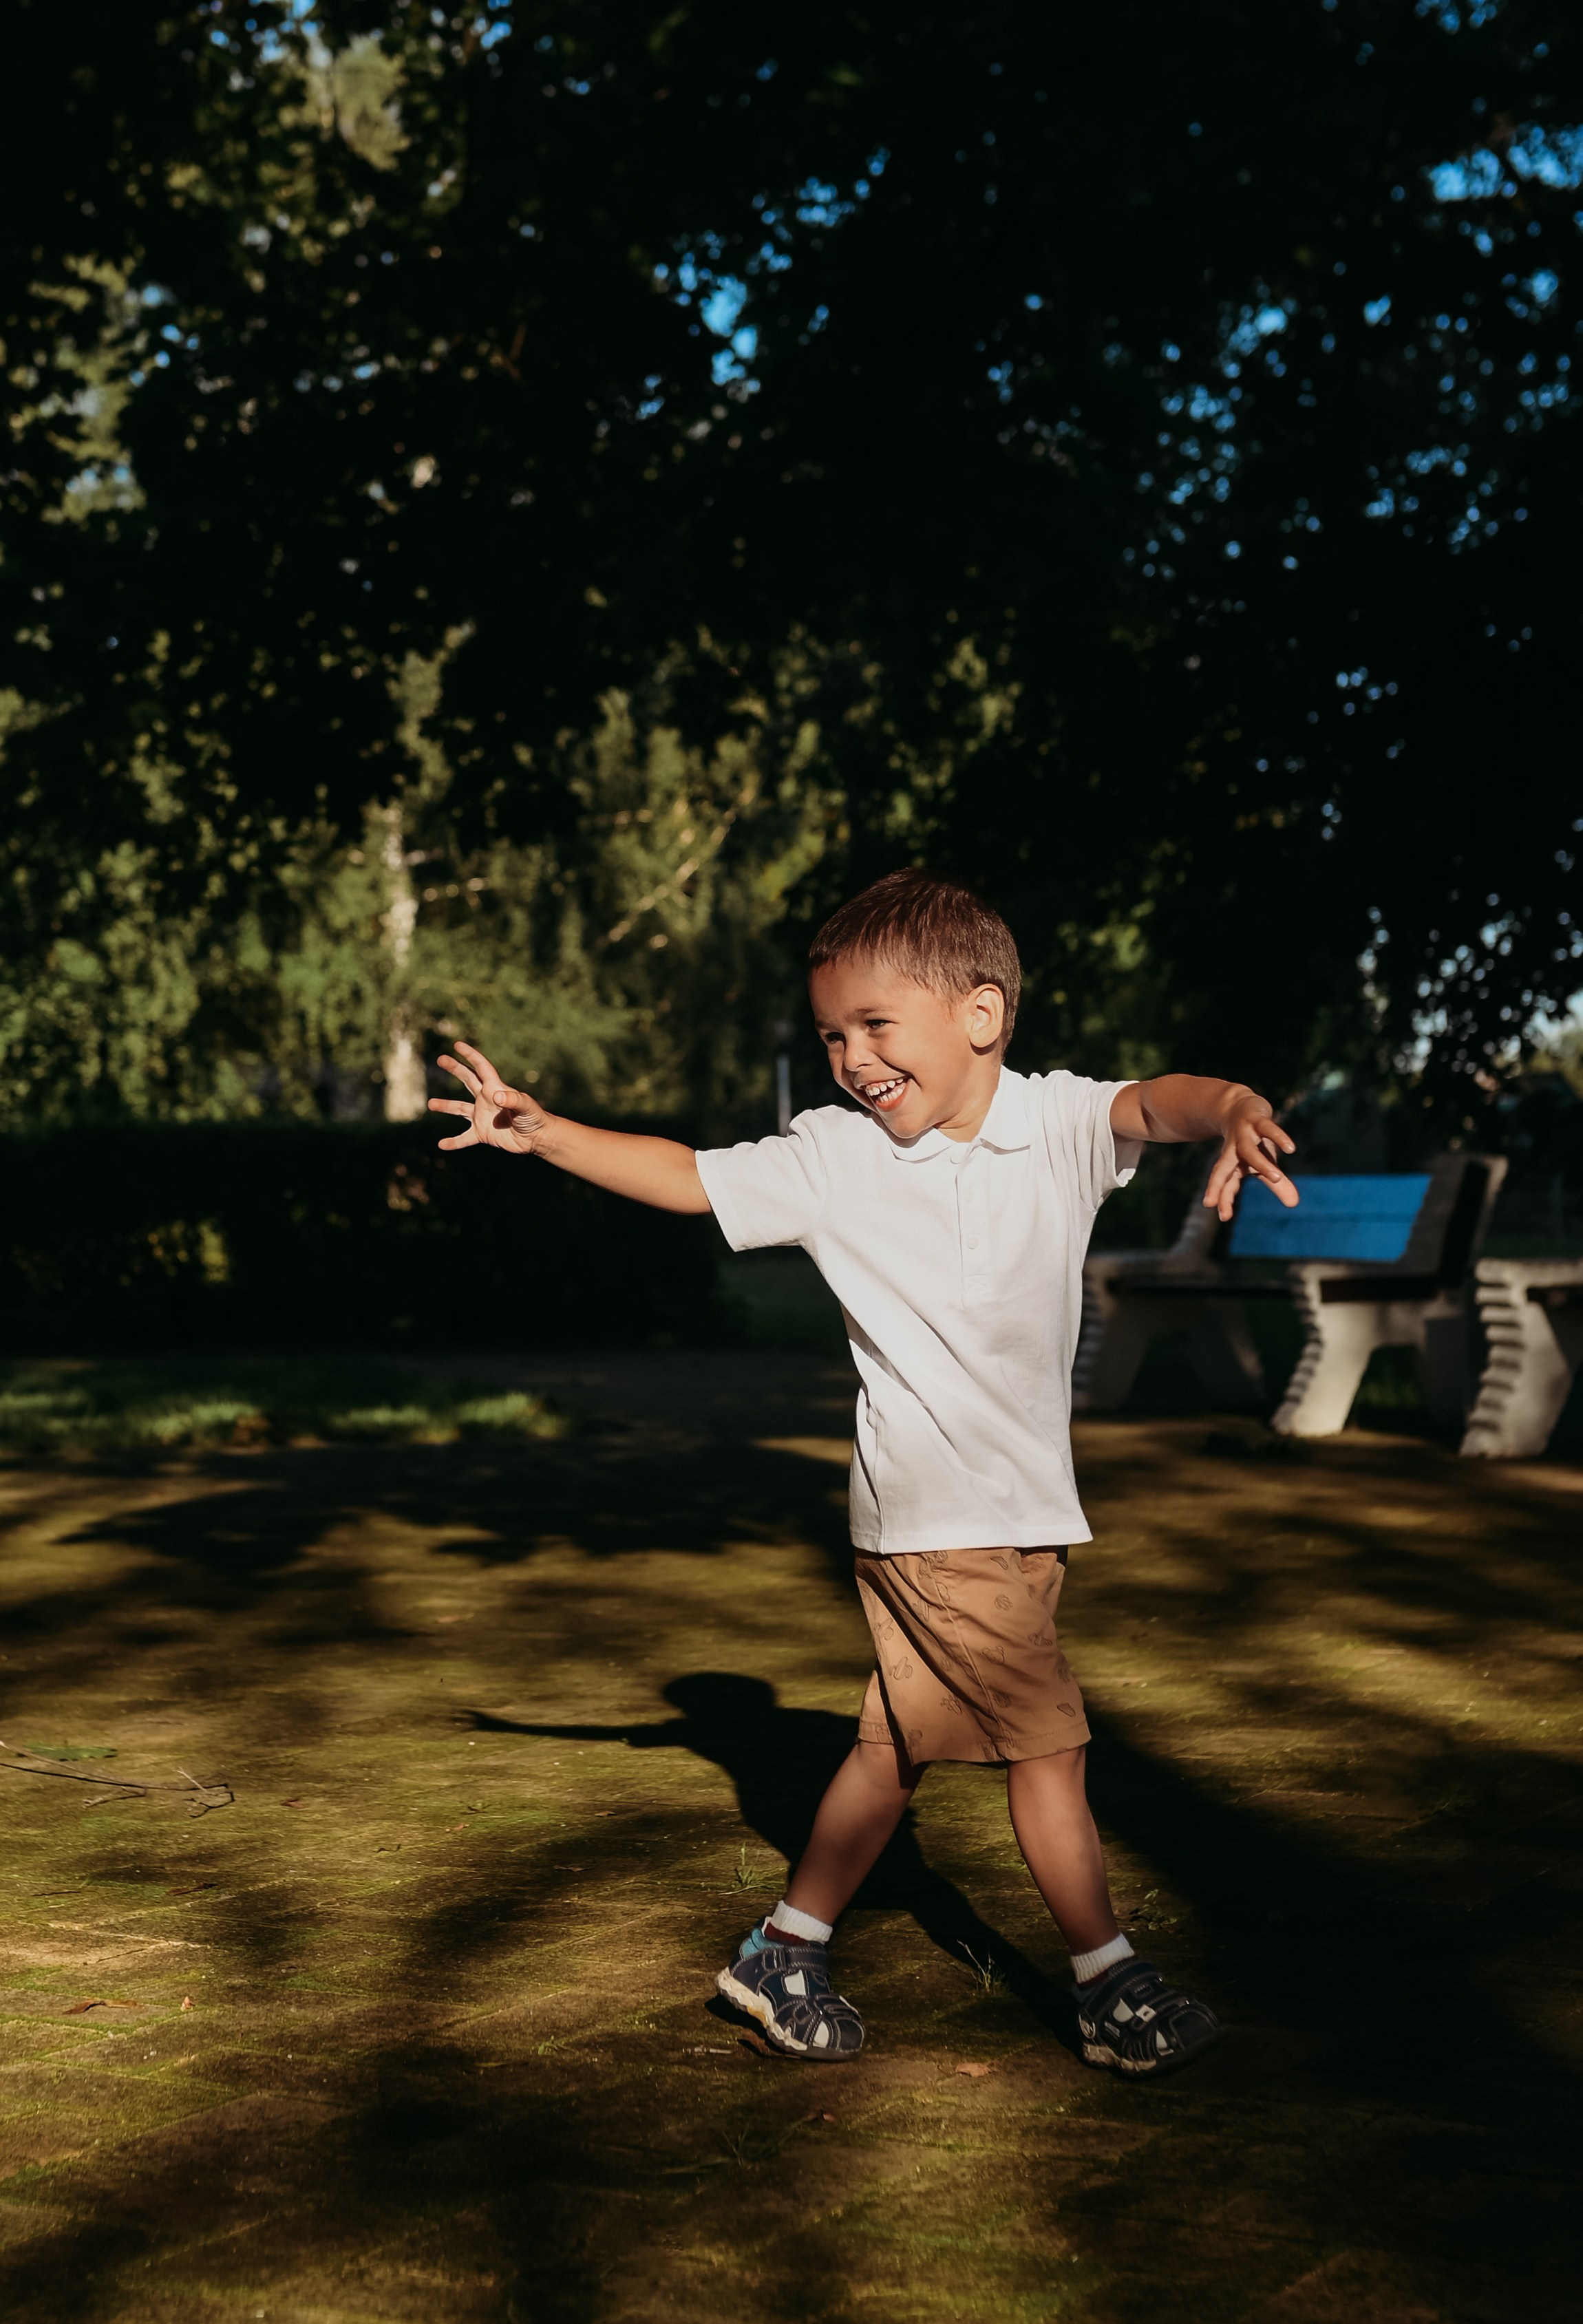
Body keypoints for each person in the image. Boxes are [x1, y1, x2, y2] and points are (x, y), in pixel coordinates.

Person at [429, 869, 1299, 2077]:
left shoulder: (1051, 1121)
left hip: (1024, 1509)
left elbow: (1157, 1104)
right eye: (833, 1032)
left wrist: (1236, 1104)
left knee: (894, 1747)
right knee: (1049, 1751)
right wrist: (546, 1132)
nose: (851, 1055)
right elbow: (689, 1175)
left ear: (981, 1016)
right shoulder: (833, 1157)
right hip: (937, 1514)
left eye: (877, 1026)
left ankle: (785, 1949)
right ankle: (1110, 1982)